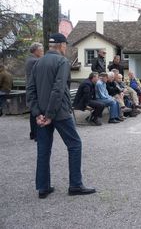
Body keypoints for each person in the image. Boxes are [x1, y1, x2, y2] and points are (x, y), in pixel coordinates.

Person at [26, 33, 96, 199]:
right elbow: (58, 89)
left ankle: (43, 188)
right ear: (62, 45)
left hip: (42, 114)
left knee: (43, 149)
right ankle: (75, 185)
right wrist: (49, 114)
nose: (66, 48)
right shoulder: (62, 62)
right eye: (66, 45)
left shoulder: (37, 63)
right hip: (60, 112)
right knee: (75, 144)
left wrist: (38, 114)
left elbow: (30, 90)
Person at [25, 42, 44, 140]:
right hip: (35, 89)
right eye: (41, 50)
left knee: (33, 112)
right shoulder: (34, 61)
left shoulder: (30, 59)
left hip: (32, 88)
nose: (42, 52)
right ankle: (36, 134)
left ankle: (33, 133)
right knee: (35, 112)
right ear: (36, 51)